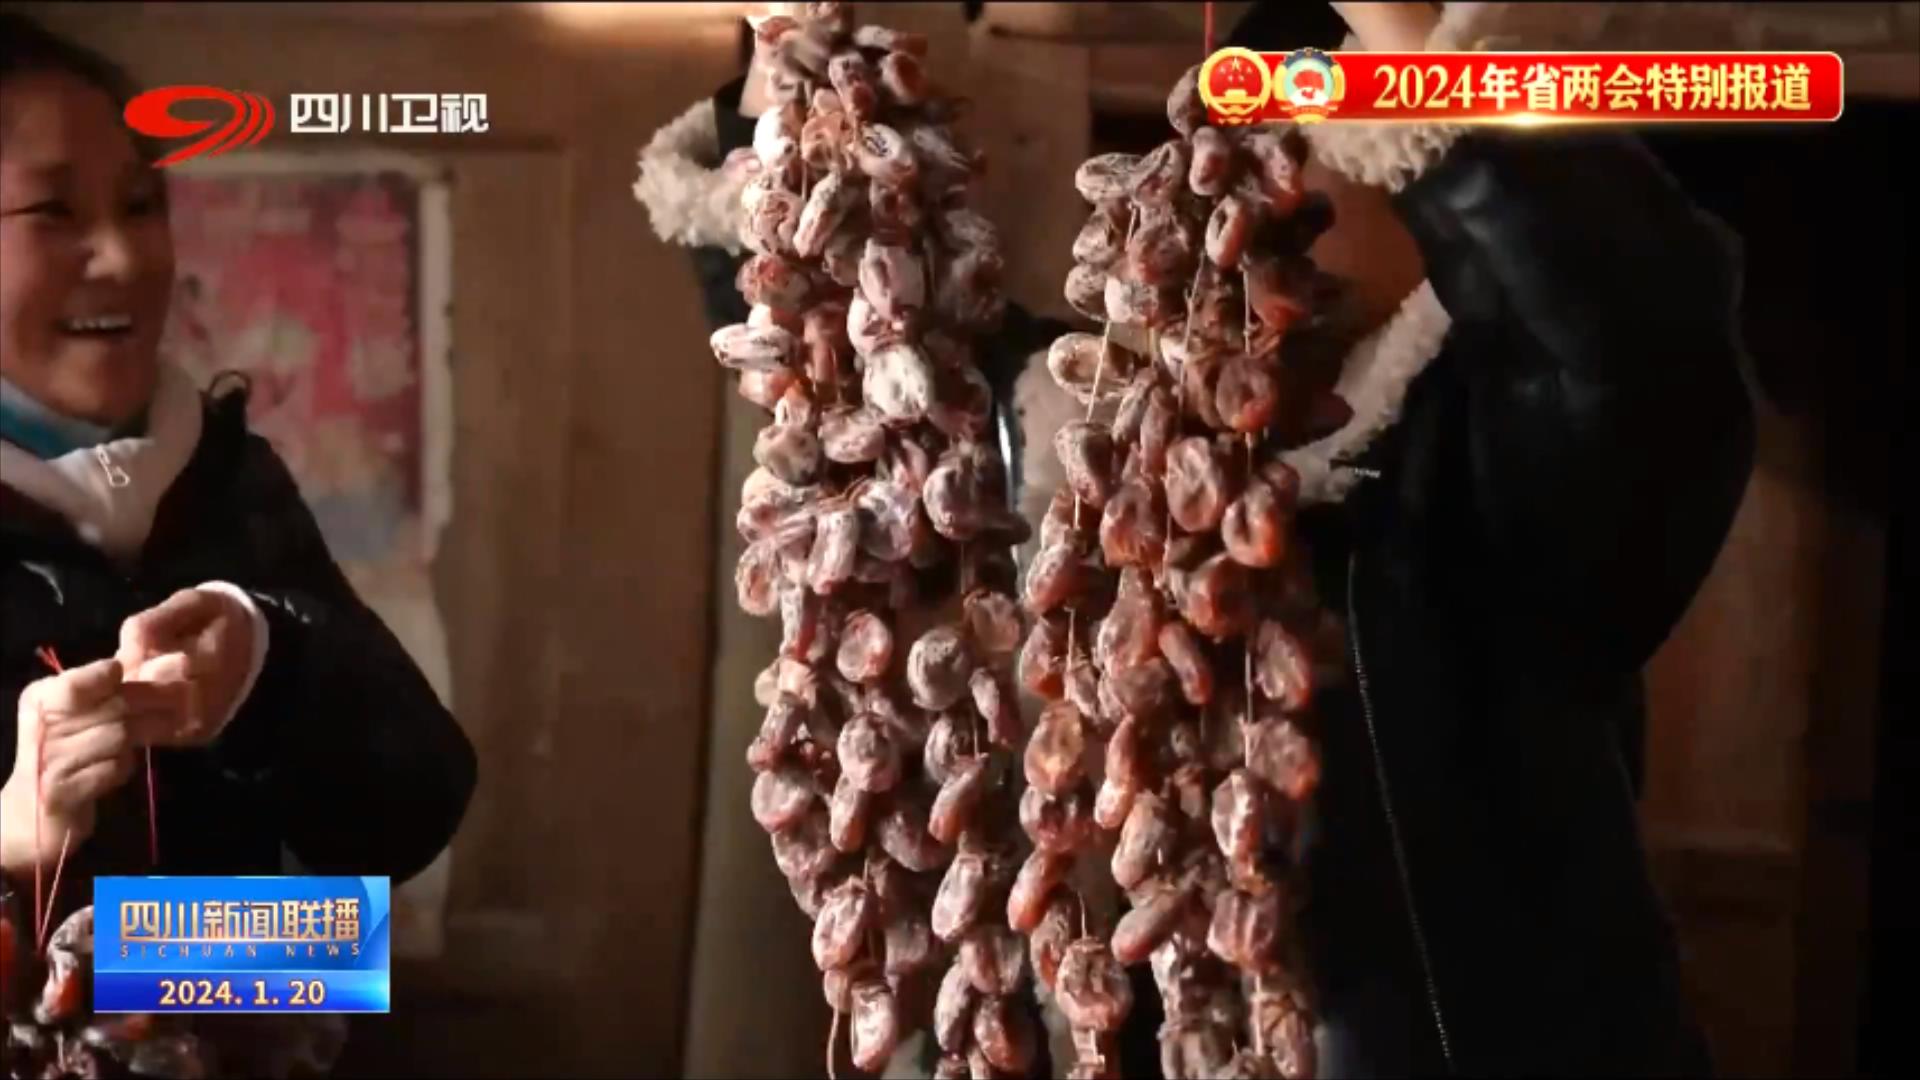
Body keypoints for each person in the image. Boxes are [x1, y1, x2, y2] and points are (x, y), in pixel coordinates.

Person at [653, 2, 1754, 1075]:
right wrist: (792, 46)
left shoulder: (1515, 463)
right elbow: (833, 347)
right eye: (1232, 156)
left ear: (1418, 177)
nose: (1261, 196)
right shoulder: (1088, 445)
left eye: (1314, 147)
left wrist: (1402, 38)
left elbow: (1631, 320)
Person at [0, 5, 475, 1020]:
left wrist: (268, 666)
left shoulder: (225, 477)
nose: (124, 259)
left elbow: (410, 824)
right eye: (53, 213)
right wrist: (11, 844)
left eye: (142, 204)